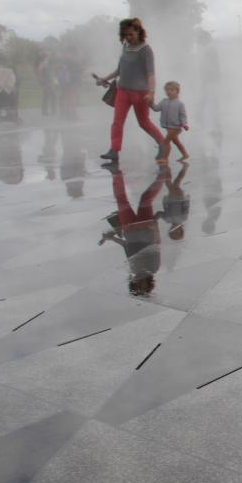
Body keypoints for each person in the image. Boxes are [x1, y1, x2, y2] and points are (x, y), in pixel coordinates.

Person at [94, 18, 167, 164]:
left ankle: (162, 143)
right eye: (125, 35)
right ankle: (114, 150)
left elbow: (151, 74)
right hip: (123, 90)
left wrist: (151, 92)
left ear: (139, 32)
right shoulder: (125, 46)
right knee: (117, 122)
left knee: (144, 122)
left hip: (141, 93)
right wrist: (104, 78)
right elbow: (120, 70)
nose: (128, 38)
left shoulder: (146, 50)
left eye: (130, 34)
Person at [100, 165, 167, 297]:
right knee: (145, 198)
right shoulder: (153, 268)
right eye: (143, 286)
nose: (139, 283)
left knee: (121, 200)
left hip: (129, 229)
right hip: (145, 227)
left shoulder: (133, 268)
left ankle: (116, 173)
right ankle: (163, 175)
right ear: (149, 284)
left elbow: (127, 247)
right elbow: (156, 244)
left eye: (137, 285)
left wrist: (111, 238)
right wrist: (154, 224)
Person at [152, 81, 189, 160]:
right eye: (167, 90)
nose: (169, 92)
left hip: (176, 127)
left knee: (166, 142)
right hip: (168, 127)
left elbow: (183, 115)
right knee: (176, 142)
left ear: (177, 91)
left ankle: (164, 158)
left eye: (172, 90)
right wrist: (150, 103)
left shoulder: (180, 104)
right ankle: (185, 154)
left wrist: (184, 124)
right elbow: (156, 108)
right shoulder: (164, 101)